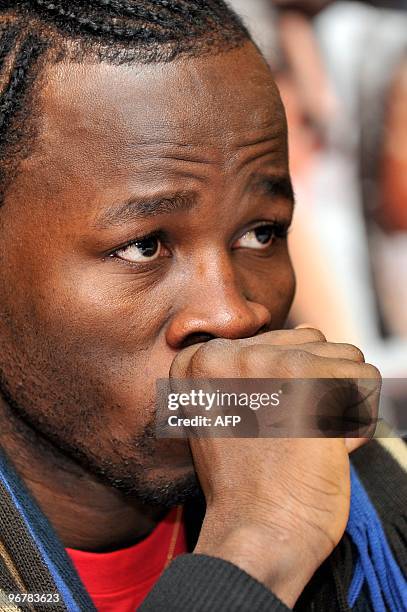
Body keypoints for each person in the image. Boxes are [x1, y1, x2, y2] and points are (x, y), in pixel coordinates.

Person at [0, 1, 405, 611]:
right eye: (143, 246)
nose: (234, 315)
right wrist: (257, 548)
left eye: (260, 233)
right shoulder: (279, 523)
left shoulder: (366, 489)